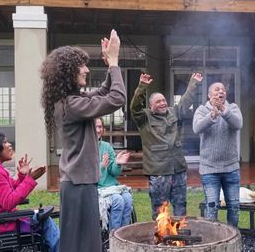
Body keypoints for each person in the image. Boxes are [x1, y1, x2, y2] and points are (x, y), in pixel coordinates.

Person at [40, 30, 125, 252]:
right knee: (82, 251)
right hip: (78, 186)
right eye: (82, 66)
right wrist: (114, 63)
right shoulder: (71, 106)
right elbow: (117, 99)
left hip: (78, 184)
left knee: (80, 249)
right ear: (68, 73)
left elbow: (102, 93)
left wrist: (108, 66)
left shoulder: (71, 101)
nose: (86, 70)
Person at [0, 131, 60, 252]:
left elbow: (10, 189)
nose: (9, 145)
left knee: (42, 216)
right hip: (1, 225)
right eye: (5, 142)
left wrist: (23, 176)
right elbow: (8, 201)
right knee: (45, 220)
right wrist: (30, 179)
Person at [131, 71, 203, 218]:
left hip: (178, 168)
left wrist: (193, 83)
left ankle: (179, 237)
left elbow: (185, 102)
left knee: (180, 205)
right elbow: (135, 106)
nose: (163, 103)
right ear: (151, 106)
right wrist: (142, 86)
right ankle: (160, 236)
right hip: (158, 172)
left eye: (163, 100)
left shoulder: (173, 112)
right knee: (159, 209)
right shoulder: (144, 118)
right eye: (158, 101)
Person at [193, 82, 243, 227]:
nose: (220, 91)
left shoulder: (233, 108)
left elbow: (238, 124)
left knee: (234, 208)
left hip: (231, 168)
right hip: (209, 169)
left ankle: (233, 239)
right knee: (212, 207)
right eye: (216, 89)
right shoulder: (202, 110)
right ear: (209, 95)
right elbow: (197, 128)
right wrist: (212, 115)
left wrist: (223, 110)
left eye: (223, 89)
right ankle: (213, 242)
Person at [94, 117, 133, 231]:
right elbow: (86, 171)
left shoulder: (107, 146)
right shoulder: (86, 147)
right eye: (95, 127)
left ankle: (123, 233)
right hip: (97, 188)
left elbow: (114, 172)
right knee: (118, 200)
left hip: (111, 186)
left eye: (100, 127)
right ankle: (113, 237)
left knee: (127, 198)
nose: (98, 130)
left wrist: (117, 163)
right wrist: (101, 166)